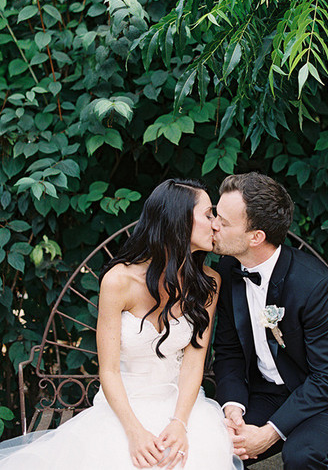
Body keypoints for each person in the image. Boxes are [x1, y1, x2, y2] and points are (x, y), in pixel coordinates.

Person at [0, 179, 242, 470]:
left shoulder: (208, 282)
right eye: (208, 214)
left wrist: (180, 423)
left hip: (181, 404)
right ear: (178, 221)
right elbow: (109, 371)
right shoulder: (119, 281)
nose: (215, 223)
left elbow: (193, 365)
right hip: (123, 406)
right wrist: (135, 432)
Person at [212, 172, 328, 470]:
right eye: (215, 215)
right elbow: (229, 350)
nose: (213, 225)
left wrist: (269, 433)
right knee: (217, 442)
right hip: (267, 391)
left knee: (301, 455)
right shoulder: (228, 269)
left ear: (256, 237)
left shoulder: (315, 286)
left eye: (224, 222)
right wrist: (233, 407)